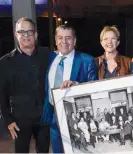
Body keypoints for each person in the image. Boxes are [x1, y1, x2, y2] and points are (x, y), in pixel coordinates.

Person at [40, 24, 98, 153]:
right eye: (60, 38)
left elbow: (94, 88)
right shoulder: (49, 58)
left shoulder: (86, 60)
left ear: (74, 41)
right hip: (54, 117)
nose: (64, 42)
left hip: (75, 118)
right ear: (55, 40)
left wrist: (76, 85)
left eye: (68, 38)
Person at [0, 17, 50, 153]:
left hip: (44, 118)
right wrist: (8, 120)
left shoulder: (47, 55)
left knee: (44, 151)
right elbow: (2, 94)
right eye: (22, 32)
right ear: (16, 34)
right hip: (19, 120)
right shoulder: (5, 62)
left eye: (29, 32)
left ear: (36, 34)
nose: (26, 35)